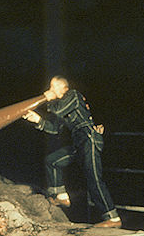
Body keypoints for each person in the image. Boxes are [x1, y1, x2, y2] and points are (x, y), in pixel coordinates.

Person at [23, 76, 121, 228]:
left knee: (94, 178)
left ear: (64, 88)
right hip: (79, 143)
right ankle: (61, 196)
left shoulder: (73, 95)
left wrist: (48, 99)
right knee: (52, 160)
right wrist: (37, 120)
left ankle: (113, 218)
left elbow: (59, 110)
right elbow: (54, 128)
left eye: (53, 87)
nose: (50, 90)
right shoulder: (61, 106)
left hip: (89, 139)